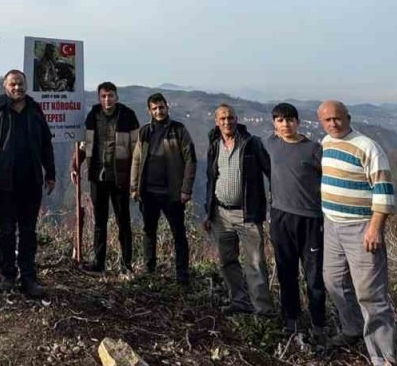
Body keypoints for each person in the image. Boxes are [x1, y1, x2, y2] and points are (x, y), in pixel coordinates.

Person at [318, 100, 397, 366]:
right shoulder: (326, 143)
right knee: (333, 281)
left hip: (361, 227)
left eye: (337, 118)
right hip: (332, 225)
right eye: (327, 120)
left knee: (370, 293)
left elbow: (384, 190)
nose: (333, 124)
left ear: (348, 118)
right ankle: (351, 329)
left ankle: (382, 357)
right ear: (321, 122)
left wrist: (375, 228)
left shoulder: (368, 147)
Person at [0, 70, 56, 298]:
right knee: (5, 231)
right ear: (5, 86)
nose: (17, 88)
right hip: (4, 182)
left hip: (31, 180)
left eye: (20, 84)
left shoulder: (35, 109)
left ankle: (28, 277)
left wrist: (50, 172)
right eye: (12, 84)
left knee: (28, 231)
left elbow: (46, 143)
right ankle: (7, 276)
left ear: (26, 85)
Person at [202, 103, 273, 316]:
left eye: (230, 117)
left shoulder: (252, 144)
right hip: (220, 214)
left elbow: (270, 172)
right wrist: (208, 212)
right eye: (222, 118)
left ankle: (264, 310)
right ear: (217, 121)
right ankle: (239, 301)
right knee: (227, 262)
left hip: (247, 214)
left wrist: (272, 204)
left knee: (255, 263)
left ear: (236, 119)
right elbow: (210, 179)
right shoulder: (214, 144)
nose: (227, 122)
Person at [265, 102, 326, 342]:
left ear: (297, 122)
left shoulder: (313, 149)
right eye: (280, 120)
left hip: (310, 220)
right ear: (274, 123)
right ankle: (291, 319)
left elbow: (329, 180)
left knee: (314, 276)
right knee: (285, 272)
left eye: (289, 120)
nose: (285, 124)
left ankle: (318, 323)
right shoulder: (270, 144)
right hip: (281, 218)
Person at [71, 81, 140, 275]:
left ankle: (126, 265)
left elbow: (137, 149)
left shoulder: (128, 116)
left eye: (110, 96)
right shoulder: (93, 116)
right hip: (97, 176)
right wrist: (75, 165)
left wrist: (136, 177)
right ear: (99, 98)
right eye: (103, 96)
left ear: (116, 96)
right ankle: (98, 264)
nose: (107, 99)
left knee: (123, 222)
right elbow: (84, 144)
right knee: (100, 222)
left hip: (120, 177)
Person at [128, 92, 196, 284]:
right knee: (149, 231)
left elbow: (190, 160)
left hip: (172, 194)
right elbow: (137, 159)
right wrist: (134, 188)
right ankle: (149, 269)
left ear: (167, 107)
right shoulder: (145, 132)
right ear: (150, 110)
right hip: (148, 192)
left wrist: (186, 189)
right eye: (155, 108)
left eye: (161, 107)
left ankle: (182, 274)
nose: (159, 111)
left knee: (178, 234)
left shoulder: (179, 130)